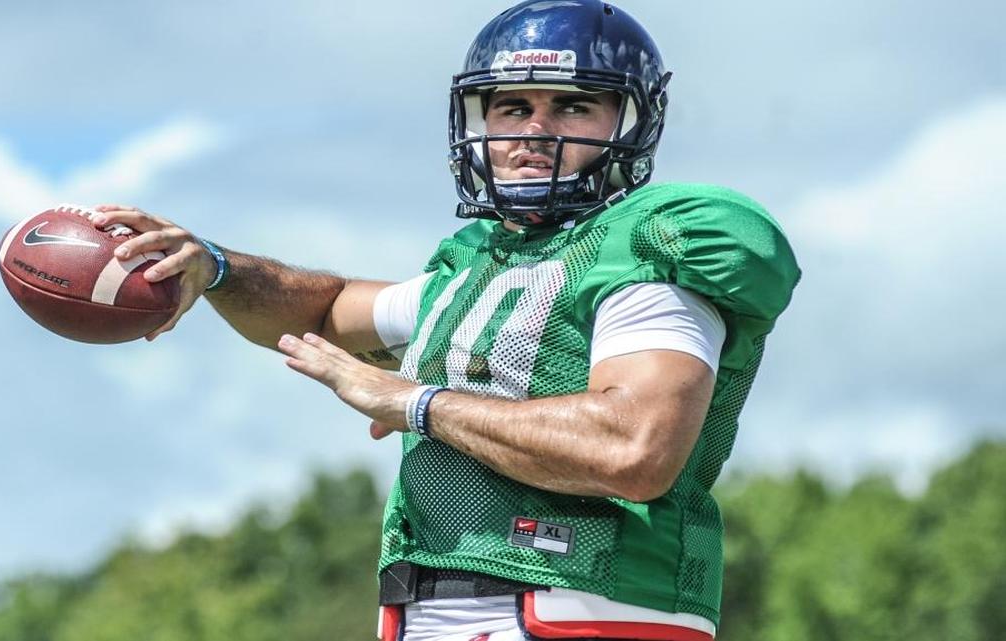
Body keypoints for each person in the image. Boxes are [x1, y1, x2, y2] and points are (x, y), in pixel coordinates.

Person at [89, 1, 800, 639]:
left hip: (587, 603)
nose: (534, 132)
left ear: (632, 123)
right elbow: (326, 312)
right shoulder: (474, 265)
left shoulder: (648, 245)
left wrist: (416, 403)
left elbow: (634, 449)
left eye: (574, 106)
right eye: (511, 107)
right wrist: (212, 267)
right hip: (428, 606)